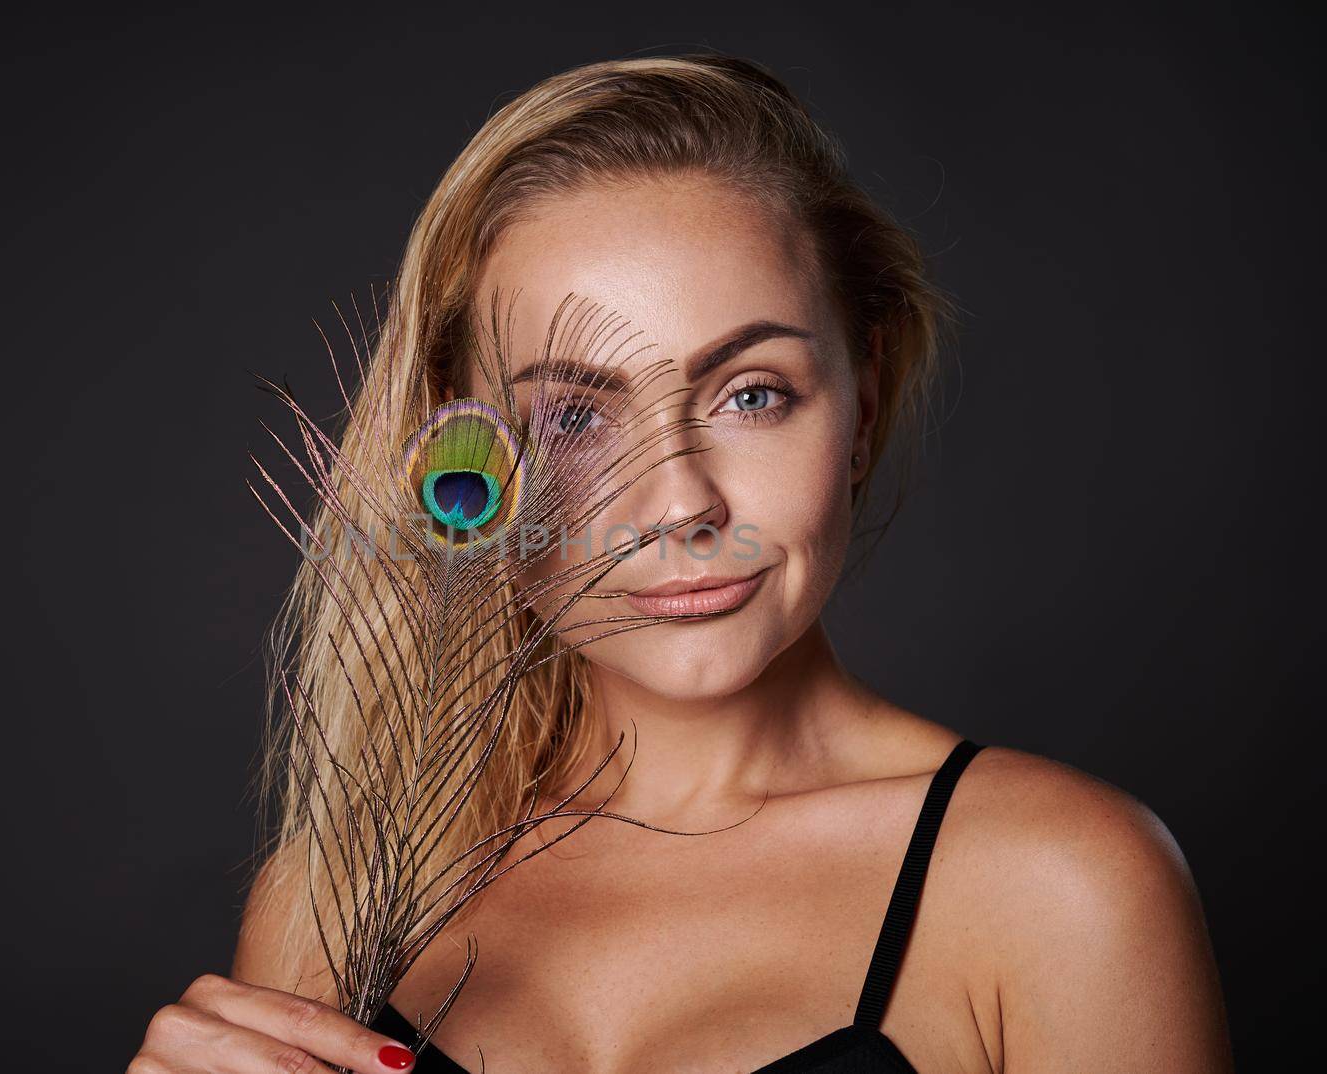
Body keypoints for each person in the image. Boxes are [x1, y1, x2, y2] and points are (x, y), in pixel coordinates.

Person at [127, 53, 1232, 1074]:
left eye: (752, 395)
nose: (681, 503)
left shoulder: (1060, 883)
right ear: (459, 462)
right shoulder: (331, 897)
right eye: (572, 418)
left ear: (863, 402)